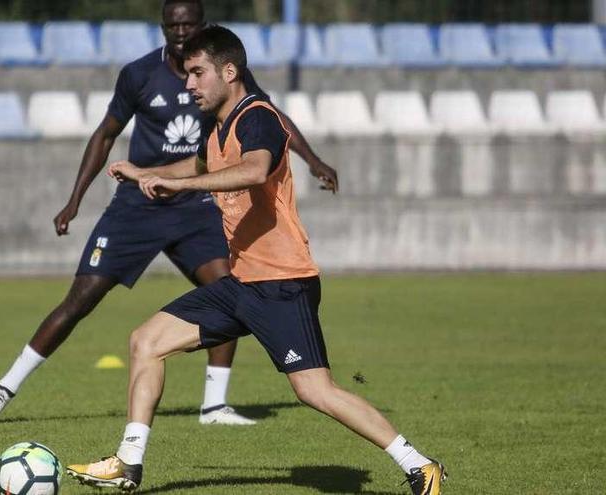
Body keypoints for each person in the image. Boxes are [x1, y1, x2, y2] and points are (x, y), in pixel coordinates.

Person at [65, 25, 446, 495]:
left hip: (283, 284)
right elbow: (203, 165)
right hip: (243, 283)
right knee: (146, 341)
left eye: (198, 73)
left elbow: (254, 169)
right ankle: (128, 462)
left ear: (230, 71)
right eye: (186, 75)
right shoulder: (219, 126)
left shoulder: (258, 117)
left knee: (314, 391)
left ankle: (419, 464)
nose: (189, 84)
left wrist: (179, 188)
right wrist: (148, 173)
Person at [0, 0, 338, 426]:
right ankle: (6, 386)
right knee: (81, 298)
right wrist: (75, 199)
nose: (181, 32)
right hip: (138, 205)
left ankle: (214, 404)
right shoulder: (139, 74)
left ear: (202, 27)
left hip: (198, 204)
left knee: (229, 286)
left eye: (189, 24)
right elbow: (105, 134)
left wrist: (312, 160)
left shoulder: (220, 70)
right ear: (162, 28)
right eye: (173, 25)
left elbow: (270, 120)